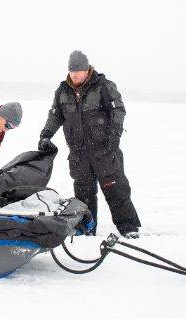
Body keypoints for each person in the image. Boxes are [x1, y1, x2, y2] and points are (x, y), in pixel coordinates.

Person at [38, 51, 140, 238]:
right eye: (71, 70)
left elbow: (118, 110)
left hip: (105, 150)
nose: (74, 74)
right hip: (79, 153)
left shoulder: (103, 86)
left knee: (115, 189)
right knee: (84, 193)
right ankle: (86, 230)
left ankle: (129, 229)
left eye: (78, 70)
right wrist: (46, 135)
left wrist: (114, 136)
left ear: (87, 70)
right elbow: (55, 115)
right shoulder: (62, 91)